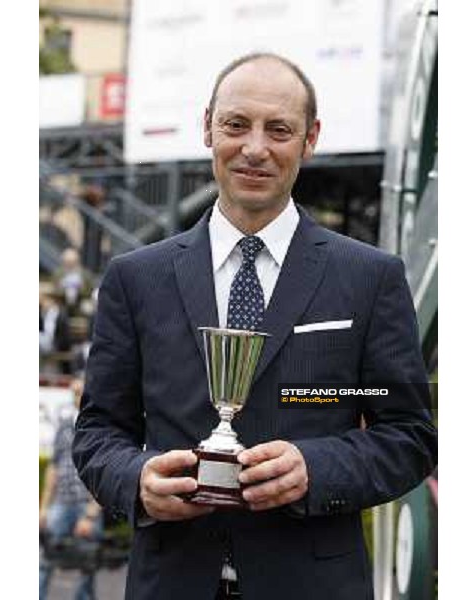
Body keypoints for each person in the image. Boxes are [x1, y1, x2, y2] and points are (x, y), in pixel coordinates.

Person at [73, 53, 437, 600]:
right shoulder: (134, 279)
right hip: (170, 583)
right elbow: (99, 433)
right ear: (207, 127)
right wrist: (138, 480)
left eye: (280, 130)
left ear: (310, 139)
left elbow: (408, 436)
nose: (255, 148)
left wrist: (316, 468)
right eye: (236, 125)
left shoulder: (370, 278)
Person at [40, 378, 103, 600]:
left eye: (81, 392)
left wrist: (90, 514)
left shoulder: (100, 429)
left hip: (87, 505)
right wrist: (44, 508)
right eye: (74, 393)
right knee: (45, 560)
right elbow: (54, 468)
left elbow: (103, 474)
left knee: (88, 564)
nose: (77, 397)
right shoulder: (64, 427)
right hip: (62, 503)